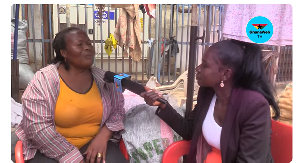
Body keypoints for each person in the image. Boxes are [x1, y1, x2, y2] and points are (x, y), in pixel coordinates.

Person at [141, 39, 280, 163]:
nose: (198, 69)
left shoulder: (254, 105)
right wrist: (163, 104)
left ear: (225, 74)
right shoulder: (208, 93)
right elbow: (190, 130)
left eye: (205, 65)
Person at [11, 27, 128, 163]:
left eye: (89, 44)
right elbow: (37, 128)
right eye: (79, 45)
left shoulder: (104, 79)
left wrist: (103, 137)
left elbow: (117, 111)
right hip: (50, 147)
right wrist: (73, 158)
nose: (87, 48)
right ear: (64, 52)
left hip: (94, 144)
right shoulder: (43, 80)